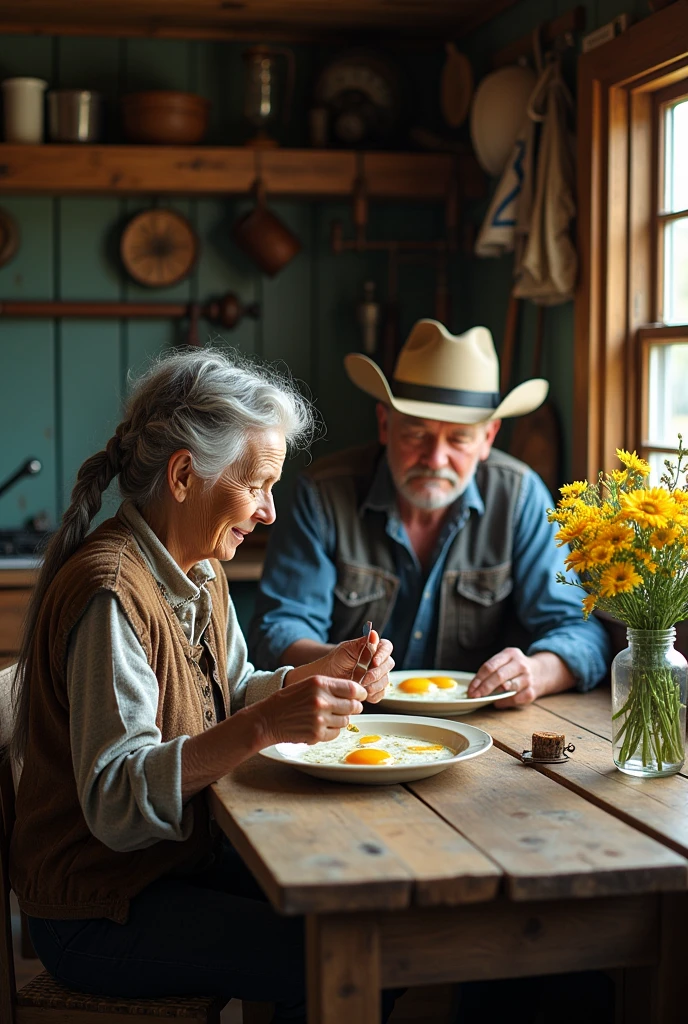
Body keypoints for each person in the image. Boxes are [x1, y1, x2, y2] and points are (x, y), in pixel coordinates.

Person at [7, 349, 395, 1023]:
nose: (270, 512)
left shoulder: (200, 570)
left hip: (169, 870)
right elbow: (118, 802)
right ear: (185, 475)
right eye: (258, 486)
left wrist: (317, 670)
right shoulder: (111, 594)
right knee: (341, 953)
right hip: (98, 910)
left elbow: (235, 685)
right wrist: (269, 725)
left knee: (358, 913)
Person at [250, 319, 610, 703]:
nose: (436, 458)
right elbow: (278, 631)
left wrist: (536, 671)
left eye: (458, 438)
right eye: (416, 434)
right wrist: (339, 664)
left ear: (487, 438)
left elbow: (580, 632)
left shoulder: (520, 497)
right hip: (350, 721)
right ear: (385, 424)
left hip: (487, 731)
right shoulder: (323, 494)